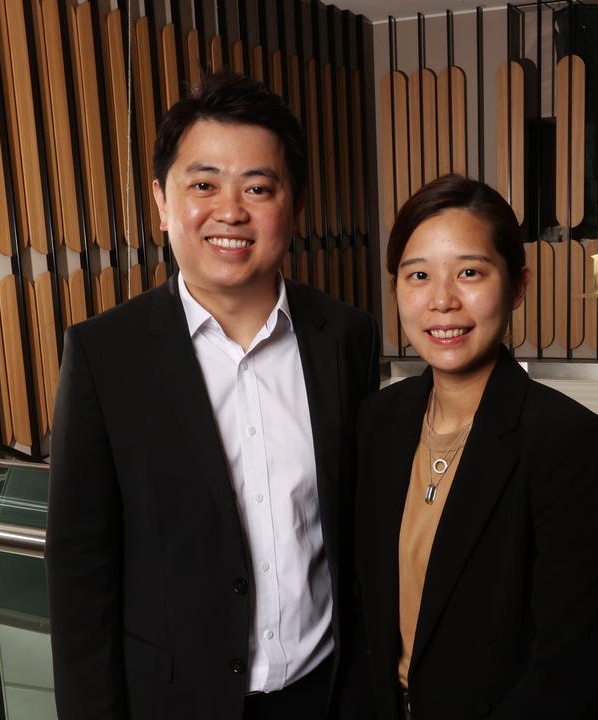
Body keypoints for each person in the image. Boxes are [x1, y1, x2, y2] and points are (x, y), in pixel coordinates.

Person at [46, 73, 378, 720]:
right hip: (176, 703)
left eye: (259, 187)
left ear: (296, 205)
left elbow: (354, 529)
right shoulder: (104, 354)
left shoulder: (345, 336)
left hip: (325, 695)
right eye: (203, 185)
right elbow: (80, 569)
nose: (231, 211)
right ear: (162, 203)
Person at [354, 175, 598, 719]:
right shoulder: (379, 420)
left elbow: (569, 667)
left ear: (517, 286)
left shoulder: (565, 440)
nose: (442, 301)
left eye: (470, 273)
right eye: (419, 275)